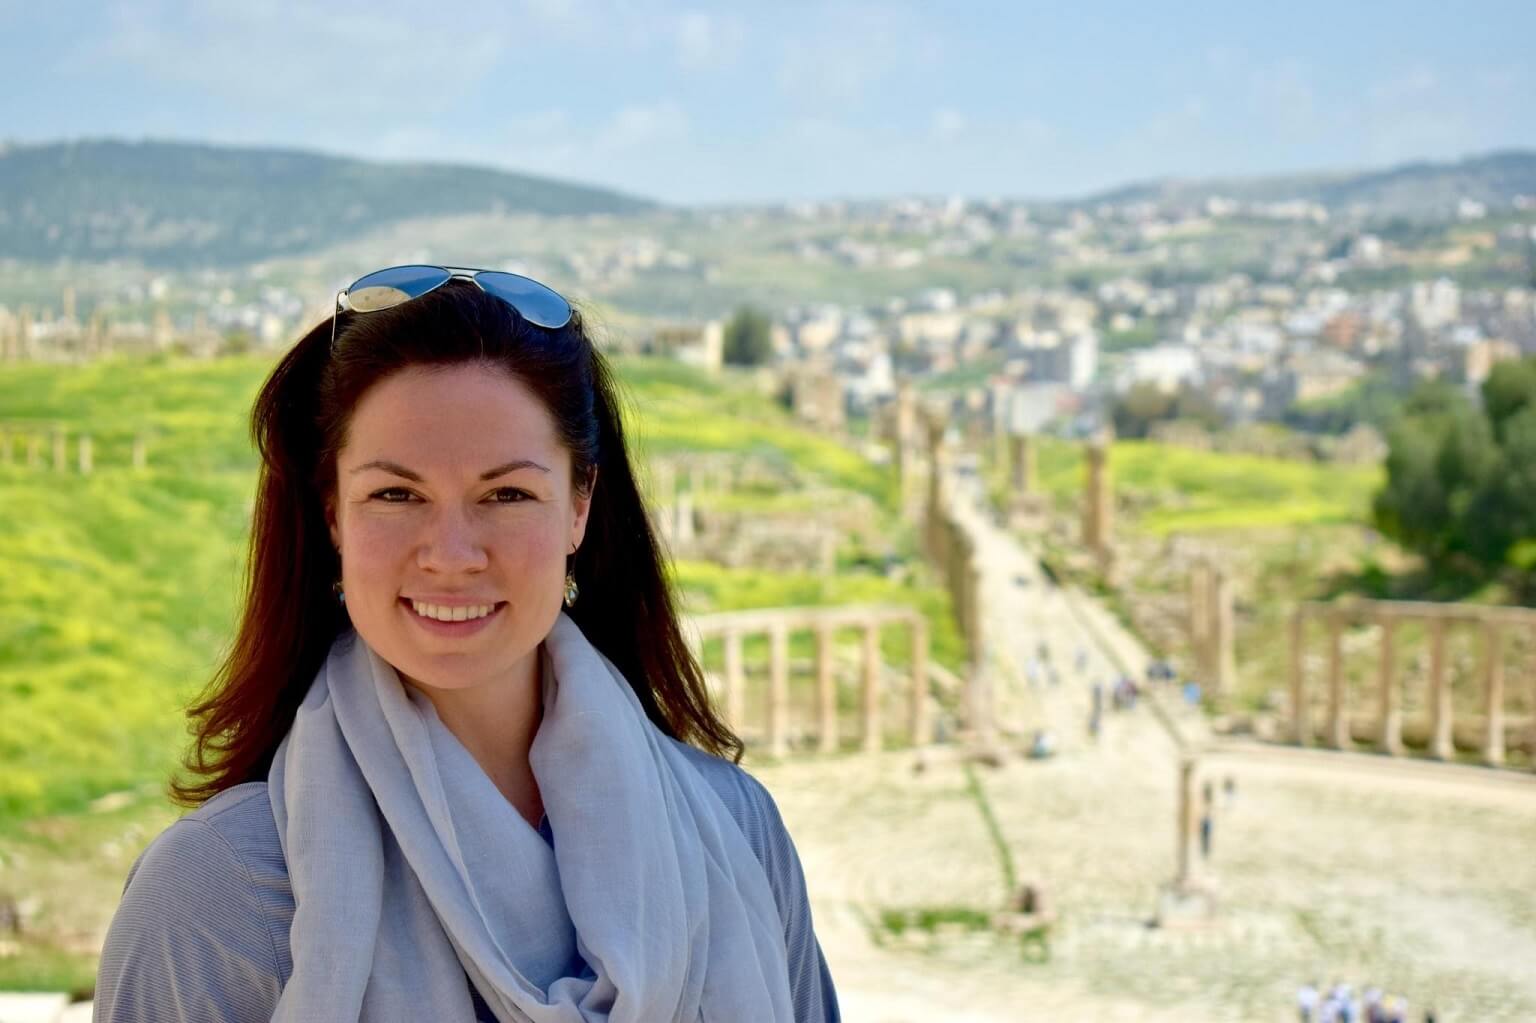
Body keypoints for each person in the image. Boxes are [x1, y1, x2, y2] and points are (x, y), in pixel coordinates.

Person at [94, 267, 840, 1022]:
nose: (452, 554)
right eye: (396, 494)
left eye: (506, 494)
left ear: (580, 505)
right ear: (332, 516)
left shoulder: (738, 834)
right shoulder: (218, 893)